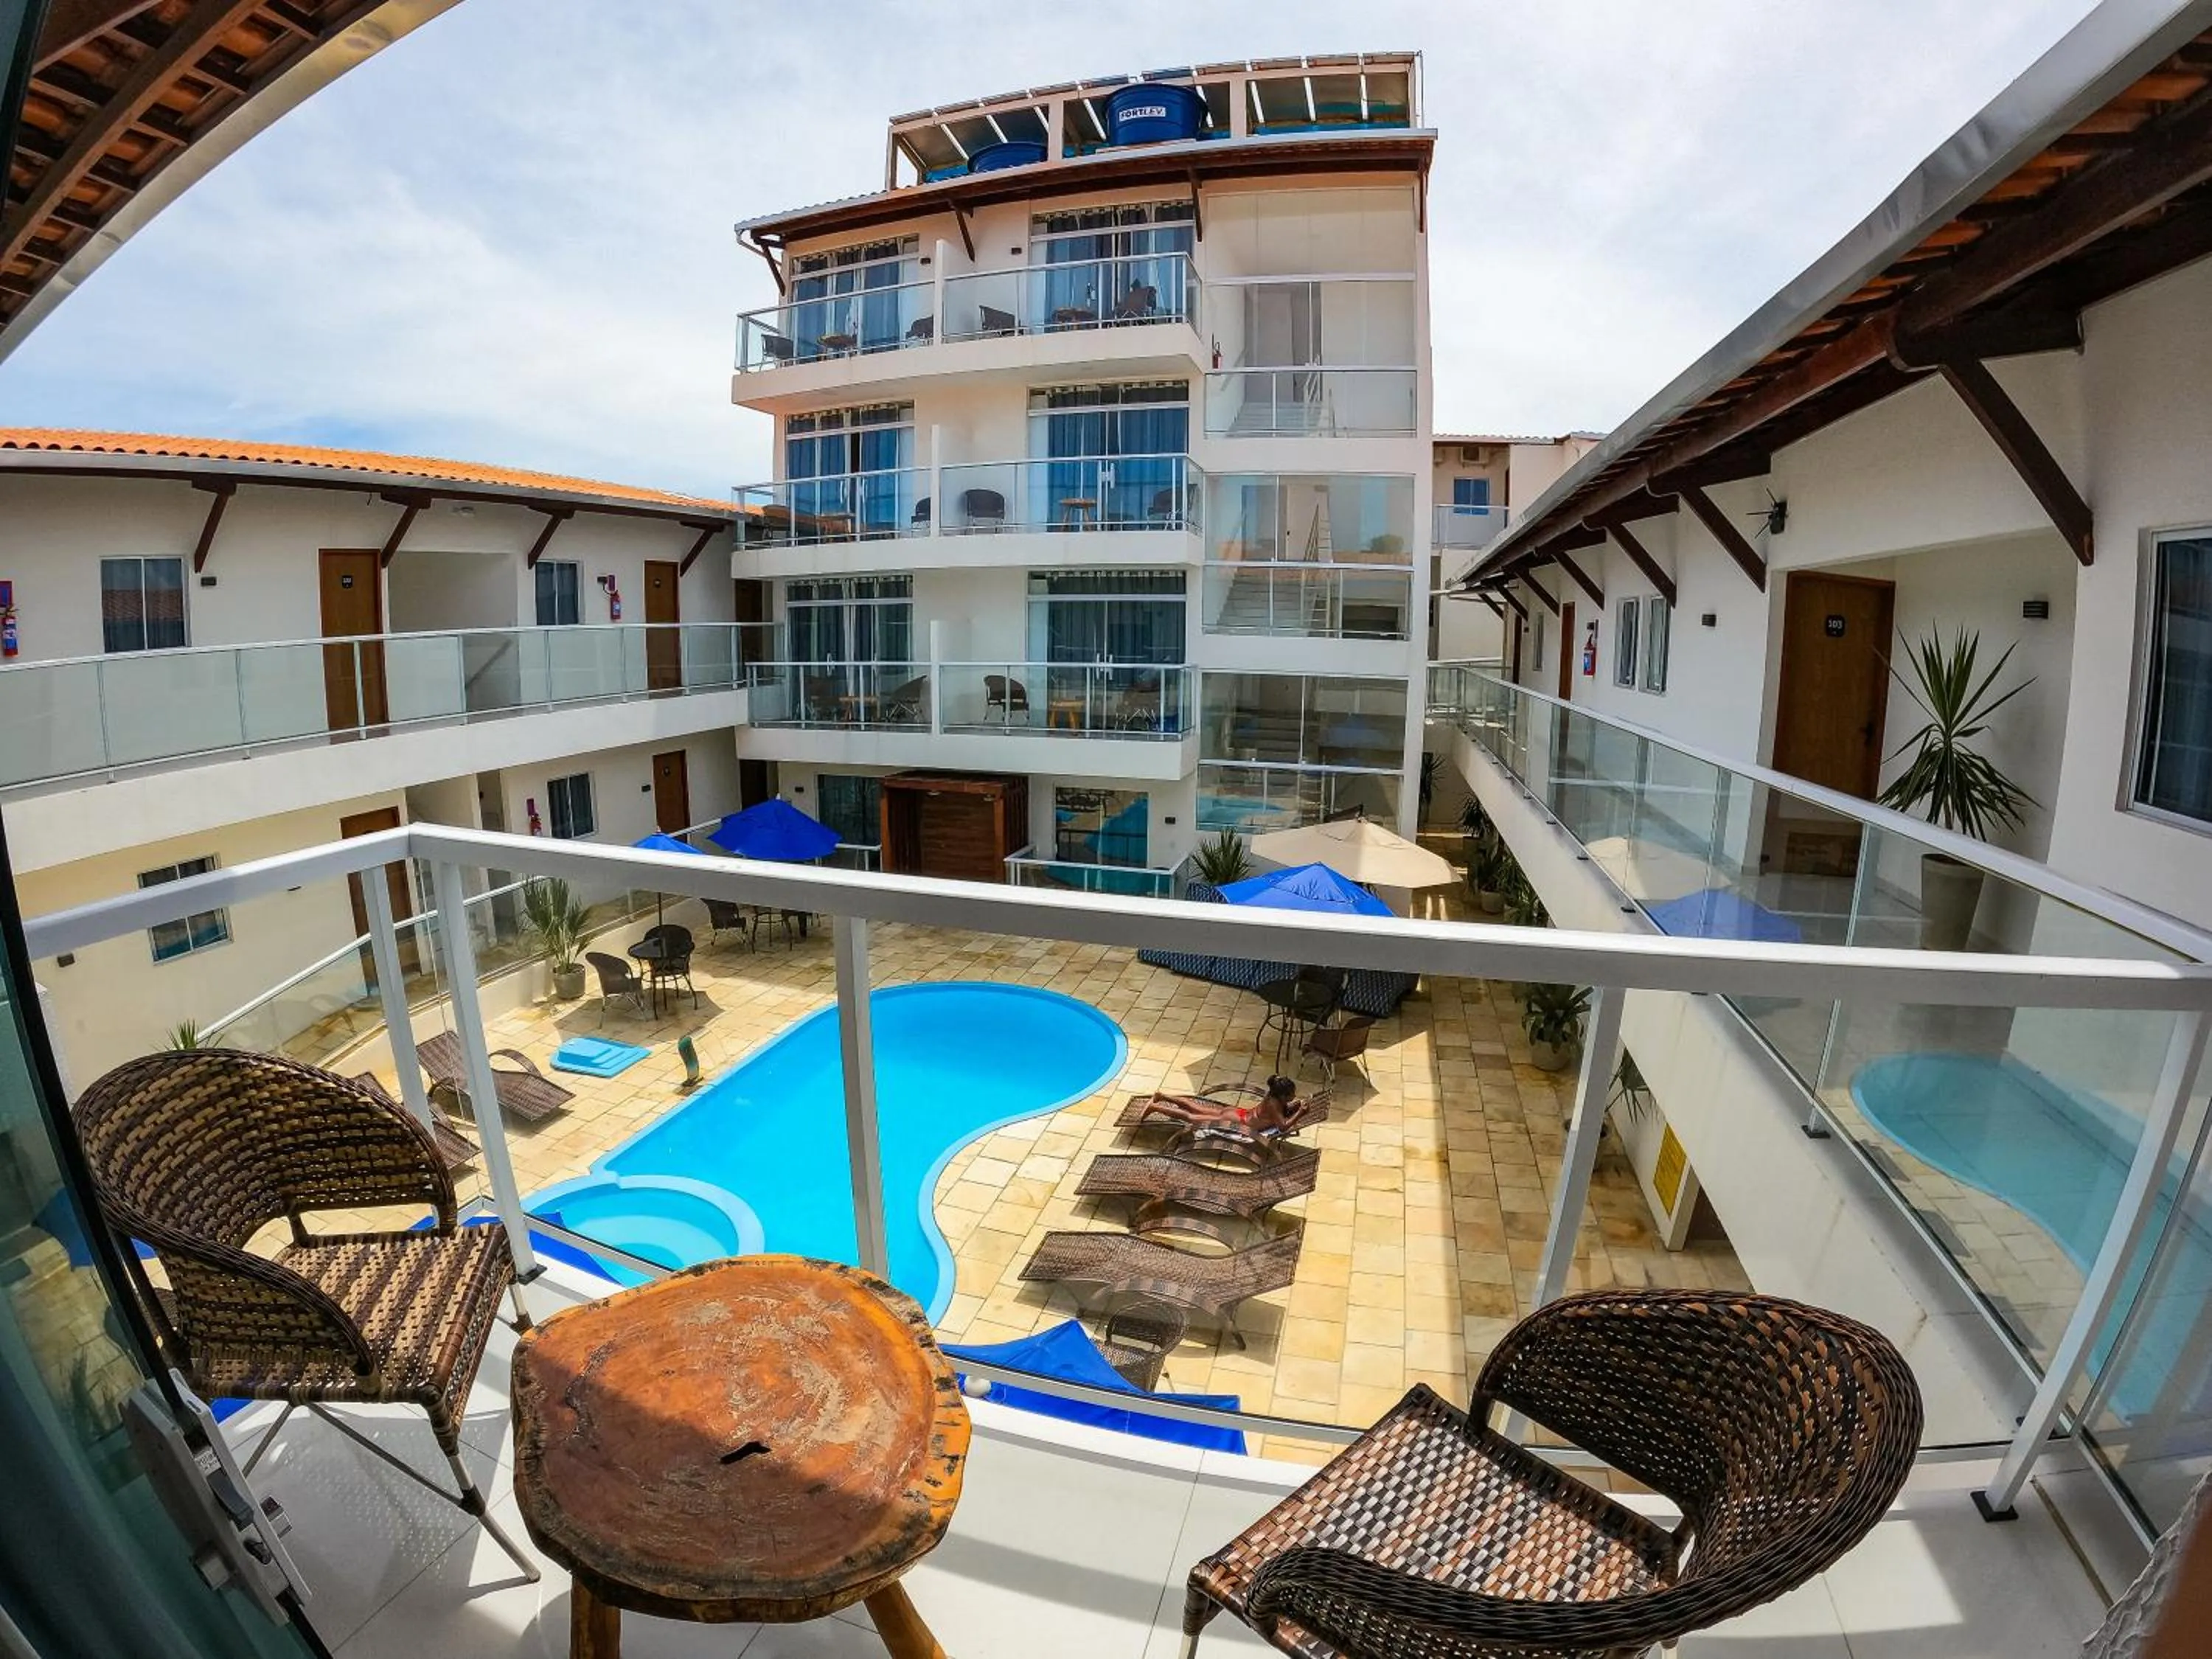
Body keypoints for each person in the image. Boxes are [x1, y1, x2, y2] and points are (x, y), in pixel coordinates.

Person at [1138, 1075, 1315, 1136]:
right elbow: (1283, 1127)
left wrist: (1295, 1105)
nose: (1293, 1097)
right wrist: (1300, 1112)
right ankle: (1155, 1107)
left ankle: (1162, 1096)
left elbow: (1284, 1111)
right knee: (1192, 1117)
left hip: (1238, 1113)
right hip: (1239, 1122)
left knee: (1195, 1108)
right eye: (1291, 1095)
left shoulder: (1273, 1096)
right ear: (1282, 1096)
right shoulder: (1276, 1106)